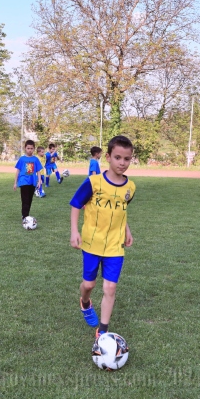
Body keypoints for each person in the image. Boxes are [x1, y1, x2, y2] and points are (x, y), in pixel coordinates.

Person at [70, 136, 136, 338]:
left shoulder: (130, 188)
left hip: (115, 247)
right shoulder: (93, 182)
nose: (122, 163)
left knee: (110, 287)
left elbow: (120, 212)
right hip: (91, 243)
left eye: (127, 159)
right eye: (118, 157)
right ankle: (85, 302)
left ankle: (103, 330)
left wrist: (127, 230)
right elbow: (75, 204)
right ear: (107, 157)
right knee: (89, 284)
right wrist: (74, 231)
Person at [13, 140, 43, 222]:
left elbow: (38, 171)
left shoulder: (35, 159)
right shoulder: (22, 159)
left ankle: (26, 215)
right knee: (25, 199)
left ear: (34, 149)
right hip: (23, 181)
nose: (30, 150)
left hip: (32, 182)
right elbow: (18, 171)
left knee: (29, 200)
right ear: (25, 148)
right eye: (28, 148)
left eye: (31, 148)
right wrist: (15, 183)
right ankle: (24, 217)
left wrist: (39, 181)